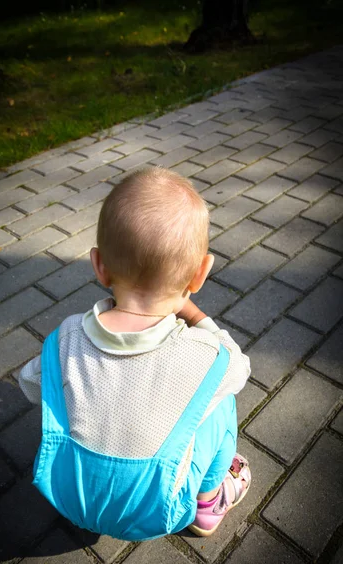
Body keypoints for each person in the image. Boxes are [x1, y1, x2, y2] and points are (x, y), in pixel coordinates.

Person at [19, 166, 251, 541]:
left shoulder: (66, 339)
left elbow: (30, 386)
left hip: (70, 495)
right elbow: (240, 368)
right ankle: (208, 503)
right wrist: (196, 316)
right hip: (158, 508)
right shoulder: (206, 355)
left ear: (99, 266)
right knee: (221, 402)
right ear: (200, 274)